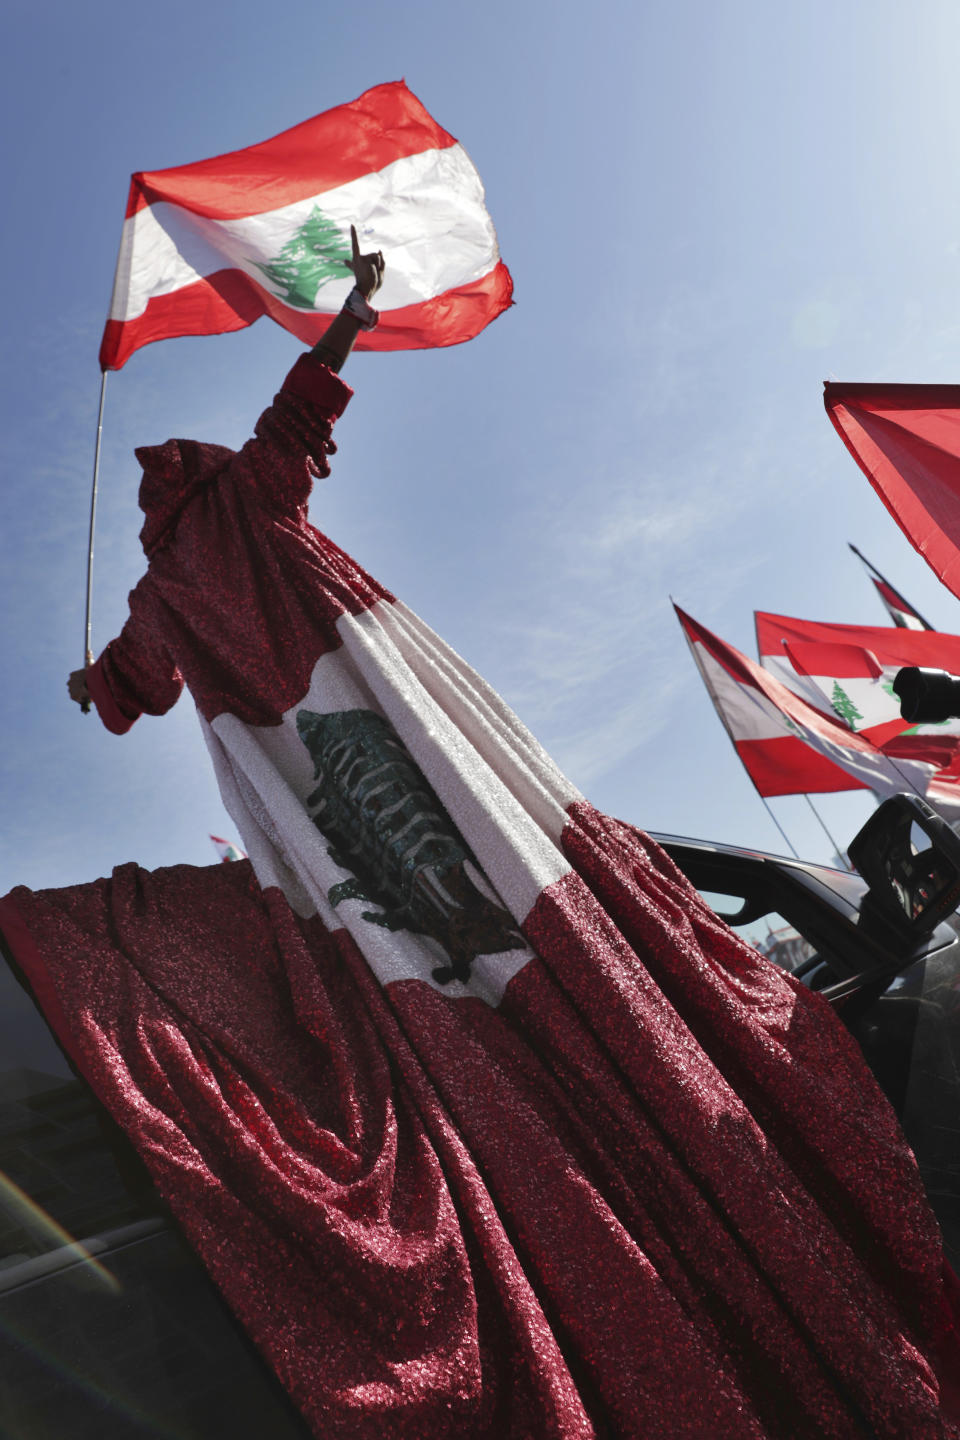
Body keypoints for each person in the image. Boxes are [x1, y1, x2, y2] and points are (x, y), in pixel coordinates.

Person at [56, 227, 960, 1436]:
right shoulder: (244, 499)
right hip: (409, 745)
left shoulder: (165, 586)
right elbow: (299, 416)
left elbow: (130, 685)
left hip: (329, 818)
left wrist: (97, 688)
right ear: (200, 477)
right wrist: (351, 314)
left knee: (433, 956)